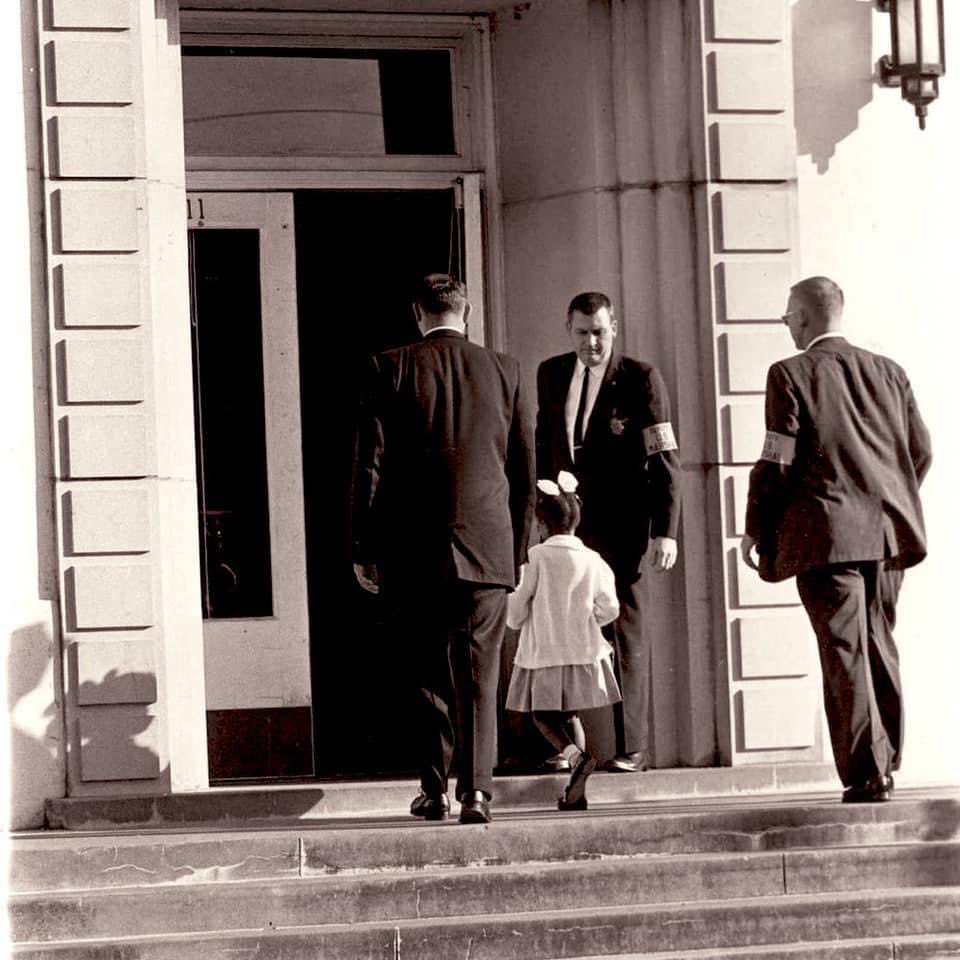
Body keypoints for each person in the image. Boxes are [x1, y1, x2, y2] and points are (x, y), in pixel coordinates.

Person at [741, 276, 932, 804]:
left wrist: (757, 527)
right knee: (879, 644)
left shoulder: (789, 373)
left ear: (802, 318)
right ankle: (887, 760)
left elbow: (777, 460)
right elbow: (922, 450)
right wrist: (888, 495)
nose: (785, 323)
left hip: (826, 537)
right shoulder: (890, 371)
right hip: (889, 536)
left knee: (844, 650)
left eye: (787, 315)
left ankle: (868, 772)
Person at [352, 274, 535, 824]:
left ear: (418, 313)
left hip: (414, 549)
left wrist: (364, 545)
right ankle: (477, 792)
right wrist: (518, 549)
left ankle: (434, 790)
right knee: (480, 673)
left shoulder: (390, 365)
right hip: (488, 547)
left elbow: (371, 465)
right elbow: (525, 468)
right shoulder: (506, 370)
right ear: (467, 311)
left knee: (426, 673)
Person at [535, 292, 681, 773]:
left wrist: (666, 530)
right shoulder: (552, 373)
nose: (591, 343)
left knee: (622, 632)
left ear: (613, 327)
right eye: (581, 333)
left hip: (622, 528)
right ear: (568, 329)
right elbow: (544, 443)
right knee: (561, 627)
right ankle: (567, 747)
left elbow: (663, 457)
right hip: (566, 528)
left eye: (599, 332)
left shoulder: (639, 378)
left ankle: (631, 747)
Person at [505, 471, 622, 810]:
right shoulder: (593, 560)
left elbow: (516, 610)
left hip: (544, 653)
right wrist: (588, 622)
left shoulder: (536, 558)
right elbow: (610, 607)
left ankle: (575, 757)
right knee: (570, 715)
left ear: (541, 525)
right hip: (582, 652)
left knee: (542, 715)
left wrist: (517, 616)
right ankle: (577, 790)